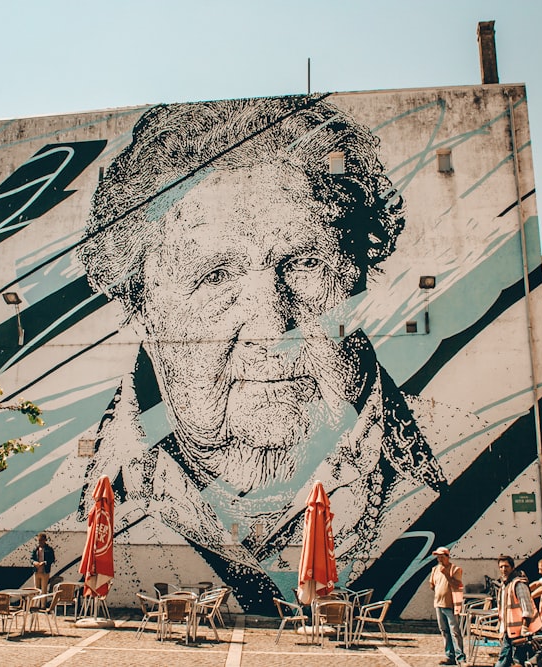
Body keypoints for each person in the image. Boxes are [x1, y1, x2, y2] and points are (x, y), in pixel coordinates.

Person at [75, 96, 452, 613]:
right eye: (216, 277)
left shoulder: (478, 460)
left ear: (359, 277)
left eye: (303, 263)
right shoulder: (68, 489)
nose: (272, 326)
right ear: (142, 311)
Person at [495, 555, 540, 667]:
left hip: (520, 632)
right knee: (506, 660)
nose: (503, 569)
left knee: (515, 661)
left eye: (506, 566)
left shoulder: (518, 584)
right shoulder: (505, 585)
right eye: (501, 567)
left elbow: (527, 608)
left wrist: (524, 628)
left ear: (512, 567)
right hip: (509, 631)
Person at [429, 546, 465, 664]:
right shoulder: (435, 569)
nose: (439, 559)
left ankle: (460, 657)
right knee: (444, 631)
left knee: (455, 631)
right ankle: (449, 655)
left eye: (441, 556)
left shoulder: (455, 569)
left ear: (447, 557)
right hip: (438, 604)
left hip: (451, 605)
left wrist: (446, 575)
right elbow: (432, 585)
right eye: (438, 557)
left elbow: (457, 585)